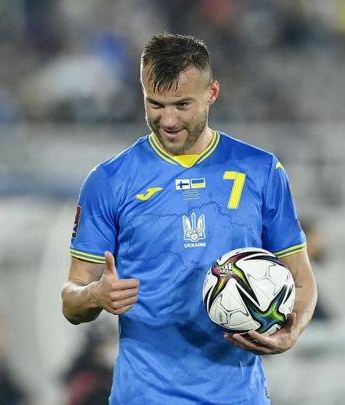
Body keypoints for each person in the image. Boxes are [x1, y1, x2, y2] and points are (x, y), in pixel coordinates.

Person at [61, 33, 317, 404]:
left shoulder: (261, 171)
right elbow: (71, 297)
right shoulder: (109, 180)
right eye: (155, 104)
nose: (167, 119)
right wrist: (94, 295)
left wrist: (293, 331)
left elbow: (301, 277)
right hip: (144, 396)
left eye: (182, 105)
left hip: (238, 396)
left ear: (211, 92)